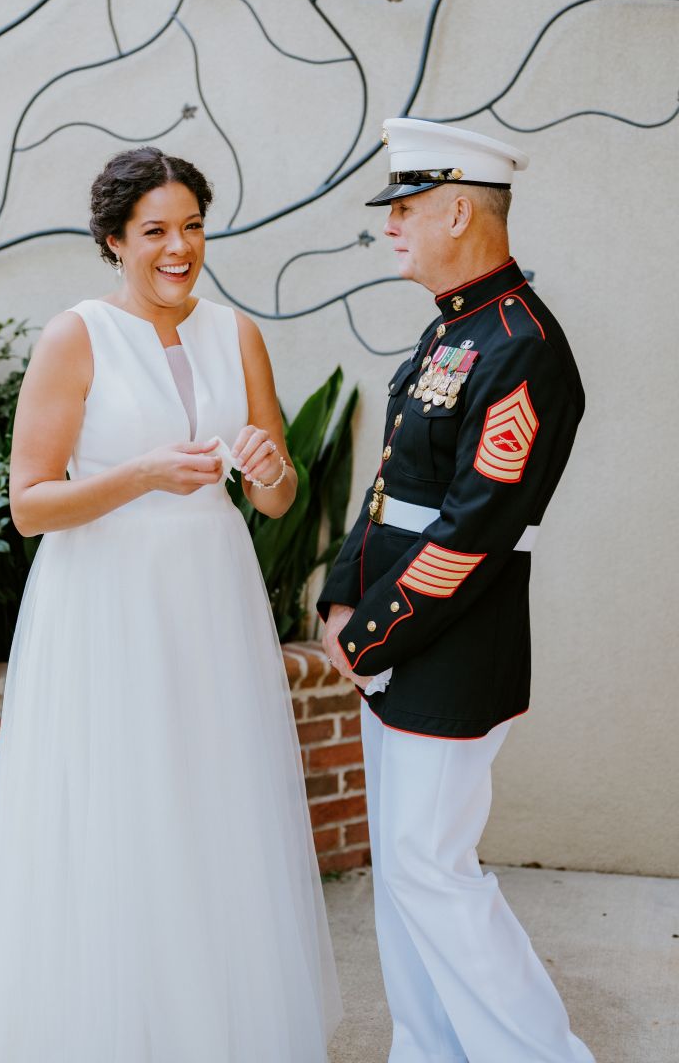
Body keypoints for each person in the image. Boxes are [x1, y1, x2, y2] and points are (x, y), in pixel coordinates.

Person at [0, 146, 341, 1063]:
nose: (180, 248)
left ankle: (204, 1030)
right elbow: (28, 504)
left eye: (193, 227)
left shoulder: (237, 332)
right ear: (113, 239)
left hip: (209, 597)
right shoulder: (77, 335)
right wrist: (138, 475)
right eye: (156, 232)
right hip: (104, 605)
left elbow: (280, 495)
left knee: (210, 800)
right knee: (114, 804)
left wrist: (270, 470)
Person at [319, 118, 594, 1063]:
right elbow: (395, 485)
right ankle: (430, 1049)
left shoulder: (521, 345)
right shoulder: (456, 331)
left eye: (405, 208)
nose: (390, 225)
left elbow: (475, 530)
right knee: (405, 871)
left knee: (428, 866)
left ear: (460, 211)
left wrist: (372, 635)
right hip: (401, 634)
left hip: (449, 639)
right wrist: (339, 595)